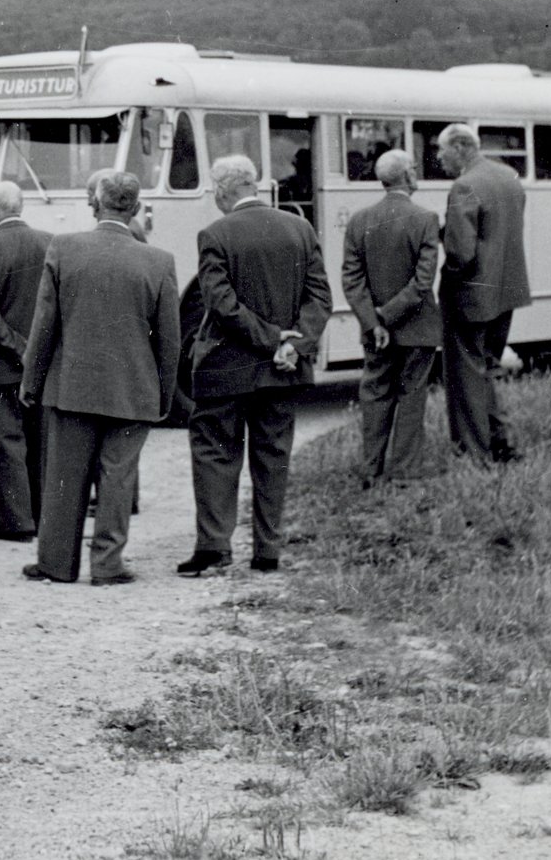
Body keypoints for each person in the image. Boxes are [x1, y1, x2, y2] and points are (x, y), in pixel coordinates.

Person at [20, 170, 179, 587]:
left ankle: (56, 563)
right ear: (137, 207)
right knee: (118, 476)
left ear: (95, 203)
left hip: (72, 385)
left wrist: (31, 382)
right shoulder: (159, 261)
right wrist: (164, 394)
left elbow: (44, 326)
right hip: (134, 389)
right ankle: (107, 565)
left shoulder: (64, 248)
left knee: (64, 475)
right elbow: (169, 340)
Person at [178, 154, 332, 576]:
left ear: (225, 190)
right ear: (254, 184)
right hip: (283, 370)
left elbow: (221, 305)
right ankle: (267, 550)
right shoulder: (300, 229)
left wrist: (269, 339)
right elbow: (320, 298)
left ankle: (214, 547)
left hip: (225, 367)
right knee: (273, 456)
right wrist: (292, 345)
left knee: (215, 453)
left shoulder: (214, 234)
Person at [340, 148, 442, 486]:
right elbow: (423, 282)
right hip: (417, 328)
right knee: (412, 396)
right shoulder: (425, 219)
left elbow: (351, 279)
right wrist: (388, 314)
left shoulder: (359, 220)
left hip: (375, 332)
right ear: (408, 176)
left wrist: (373, 321)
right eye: (414, 168)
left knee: (375, 395)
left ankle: (370, 469)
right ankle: (403, 472)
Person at [436, 122, 532, 465]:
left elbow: (461, 253)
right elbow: (495, 228)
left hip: (472, 295)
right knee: (488, 367)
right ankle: (502, 443)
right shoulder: (508, 177)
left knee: (465, 375)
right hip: (507, 291)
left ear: (460, 147)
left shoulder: (464, 186)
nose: (438, 157)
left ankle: (475, 454)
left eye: (441, 149)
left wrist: (446, 277)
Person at [0, 181, 51, 542]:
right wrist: (35, 348)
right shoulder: (51, 244)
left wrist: (17, 346)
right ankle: (42, 513)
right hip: (43, 363)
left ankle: (16, 522)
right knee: (41, 441)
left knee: (4, 444)